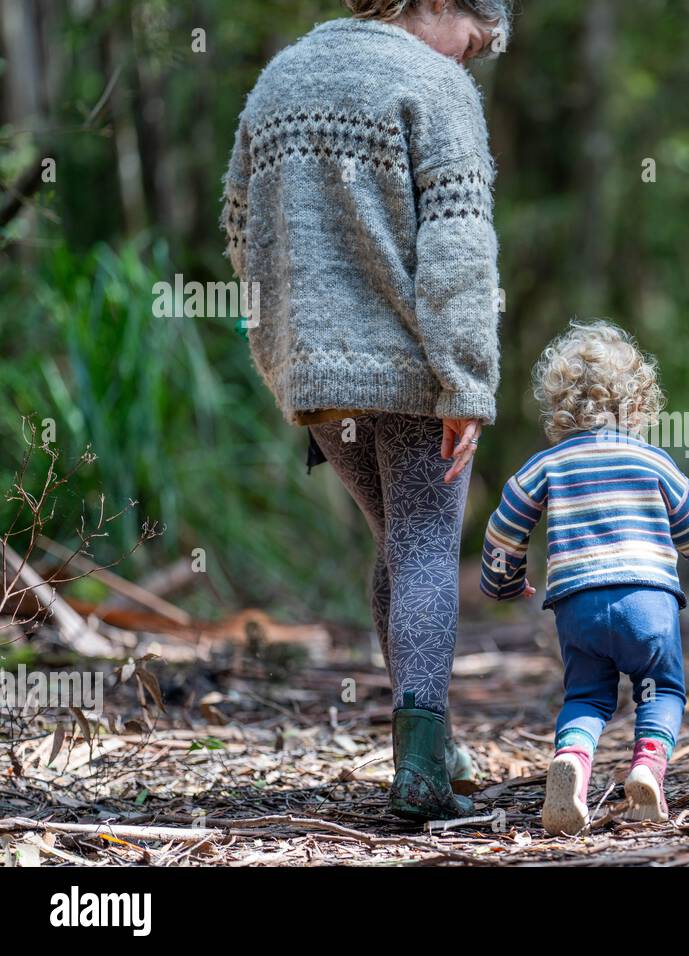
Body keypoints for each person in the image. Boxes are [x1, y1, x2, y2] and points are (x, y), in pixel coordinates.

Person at [220, 0, 512, 821]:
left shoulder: (281, 78)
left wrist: (282, 345)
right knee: (424, 546)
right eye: (477, 40)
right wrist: (468, 381)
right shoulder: (432, 83)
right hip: (409, 366)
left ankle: (435, 744)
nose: (471, 59)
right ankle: (418, 768)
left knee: (397, 542)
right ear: (441, 6)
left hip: (314, 376)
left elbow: (240, 226)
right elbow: (458, 246)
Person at [480, 321, 689, 835]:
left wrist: (505, 581)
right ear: (638, 405)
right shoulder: (653, 461)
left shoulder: (546, 465)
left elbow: (506, 522)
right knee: (660, 689)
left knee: (587, 696)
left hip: (578, 608)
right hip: (650, 604)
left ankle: (573, 761)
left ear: (557, 408)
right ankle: (647, 767)